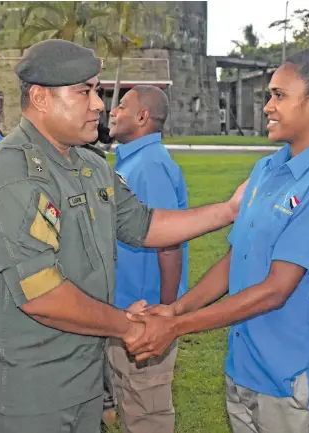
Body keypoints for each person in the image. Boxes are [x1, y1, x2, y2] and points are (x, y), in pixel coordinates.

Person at [0, 39, 247, 433]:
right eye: (84, 91)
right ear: (40, 98)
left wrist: (229, 211)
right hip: (32, 391)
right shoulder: (13, 175)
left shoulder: (89, 164)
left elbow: (143, 225)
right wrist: (128, 327)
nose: (98, 105)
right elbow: (42, 295)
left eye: (96, 91)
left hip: (86, 377)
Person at [126, 39, 309, 433]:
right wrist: (177, 309)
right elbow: (237, 258)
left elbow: (276, 290)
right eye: (270, 95)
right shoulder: (267, 170)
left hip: (292, 376)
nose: (268, 106)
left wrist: (178, 327)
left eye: (279, 96)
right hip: (245, 365)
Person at [103, 85, 189, 433]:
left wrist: (165, 315)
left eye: (121, 106)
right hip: (125, 312)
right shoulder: (133, 162)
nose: (112, 111)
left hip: (147, 316)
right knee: (130, 405)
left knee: (146, 415)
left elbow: (168, 244)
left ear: (142, 117)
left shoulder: (149, 167)